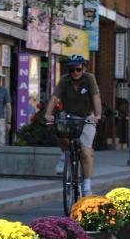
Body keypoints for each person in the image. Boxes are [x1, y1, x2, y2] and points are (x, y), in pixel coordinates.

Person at [44, 55, 102, 195]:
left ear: (83, 68)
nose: (75, 72)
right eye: (72, 70)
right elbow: (55, 97)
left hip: (86, 117)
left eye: (78, 69)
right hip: (68, 116)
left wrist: (97, 115)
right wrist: (48, 113)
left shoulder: (89, 78)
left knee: (86, 152)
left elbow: (96, 97)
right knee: (59, 129)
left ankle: (87, 186)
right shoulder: (64, 79)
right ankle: (65, 154)